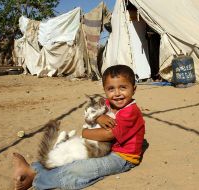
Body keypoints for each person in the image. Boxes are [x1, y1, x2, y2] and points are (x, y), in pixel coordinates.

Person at [12, 65, 146, 190]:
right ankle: (33, 168)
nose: (117, 93)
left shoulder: (130, 112)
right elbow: (90, 112)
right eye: (111, 89)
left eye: (123, 87)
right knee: (69, 156)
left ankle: (36, 180)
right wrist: (99, 117)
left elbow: (109, 134)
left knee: (79, 169)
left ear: (134, 89)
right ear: (104, 90)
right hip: (103, 148)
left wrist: (85, 132)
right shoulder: (107, 103)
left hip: (122, 158)